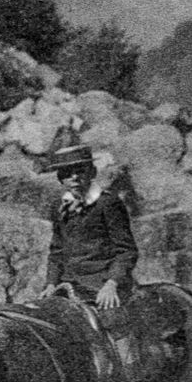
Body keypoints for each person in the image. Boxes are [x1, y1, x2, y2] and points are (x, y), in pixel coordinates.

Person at [39, 126, 138, 314]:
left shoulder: (107, 203)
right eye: (67, 173)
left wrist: (112, 283)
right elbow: (57, 251)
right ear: (61, 179)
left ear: (92, 172)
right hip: (68, 285)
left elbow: (126, 251)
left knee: (110, 325)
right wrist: (51, 283)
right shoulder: (60, 206)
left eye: (80, 171)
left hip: (101, 284)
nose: (74, 177)